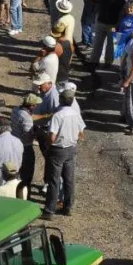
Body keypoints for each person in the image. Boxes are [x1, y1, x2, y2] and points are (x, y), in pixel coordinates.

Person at [42, 88, 84, 220]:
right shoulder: (76, 114)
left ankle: (49, 210)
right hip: (71, 149)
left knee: (54, 180)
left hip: (58, 150)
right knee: (69, 179)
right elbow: (81, 134)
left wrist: (47, 141)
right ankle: (68, 207)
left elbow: (52, 137)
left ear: (60, 100)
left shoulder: (58, 115)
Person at [89, 0, 126, 68]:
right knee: (97, 42)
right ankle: (93, 61)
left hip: (112, 24)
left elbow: (122, 12)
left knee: (110, 46)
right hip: (101, 21)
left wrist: (117, 25)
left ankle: (108, 63)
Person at [12, 93, 42, 190]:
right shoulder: (27, 118)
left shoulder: (15, 110)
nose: (36, 106)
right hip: (25, 146)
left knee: (15, 170)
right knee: (27, 173)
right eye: (35, 104)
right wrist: (37, 133)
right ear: (32, 106)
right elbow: (29, 136)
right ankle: (24, 192)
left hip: (14, 143)